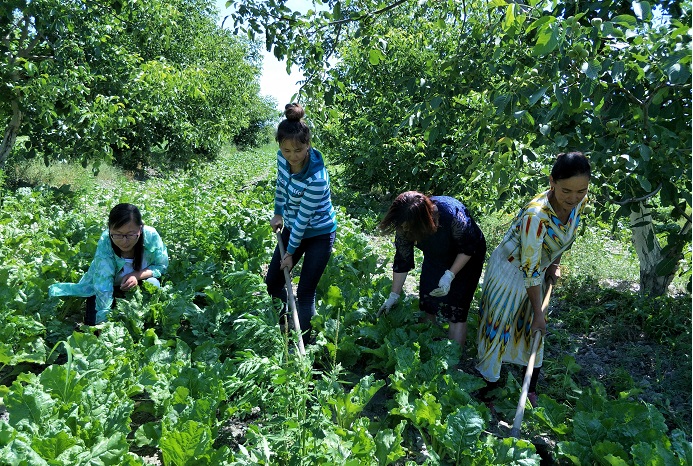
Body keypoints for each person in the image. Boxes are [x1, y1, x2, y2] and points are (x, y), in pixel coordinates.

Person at [475, 152, 591, 405]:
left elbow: (566, 236)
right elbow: (529, 270)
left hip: (537, 267)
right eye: (566, 191)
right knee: (500, 325)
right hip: (510, 270)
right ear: (552, 182)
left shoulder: (579, 201)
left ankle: (530, 388)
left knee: (533, 329)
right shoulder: (535, 216)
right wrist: (539, 313)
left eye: (581, 191)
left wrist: (554, 264)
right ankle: (487, 390)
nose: (574, 198)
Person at [265, 103, 337, 345]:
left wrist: (291, 253)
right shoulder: (282, 159)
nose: (292, 156)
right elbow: (281, 185)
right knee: (273, 282)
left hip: (319, 233)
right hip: (293, 226)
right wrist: (278, 213)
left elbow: (304, 220)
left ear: (308, 145)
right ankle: (285, 323)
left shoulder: (317, 179)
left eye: (298, 150)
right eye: (286, 150)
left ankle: (304, 343)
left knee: (305, 291)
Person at [378, 191, 486, 351]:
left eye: (408, 227)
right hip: (435, 255)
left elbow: (468, 247)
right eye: (402, 226)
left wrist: (450, 275)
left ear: (423, 221)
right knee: (427, 300)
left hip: (467, 257)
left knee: (457, 310)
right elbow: (402, 259)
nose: (404, 230)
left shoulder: (451, 214)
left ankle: (453, 359)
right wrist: (394, 295)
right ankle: (428, 352)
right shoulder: (405, 224)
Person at [49, 203, 169, 325]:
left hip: (138, 283)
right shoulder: (106, 241)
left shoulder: (151, 237)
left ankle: (145, 318)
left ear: (140, 228)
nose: (124, 241)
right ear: (109, 229)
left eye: (130, 234)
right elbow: (103, 283)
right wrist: (103, 321)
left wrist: (136, 275)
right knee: (93, 322)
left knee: (153, 284)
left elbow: (161, 266)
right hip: (110, 284)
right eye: (117, 234)